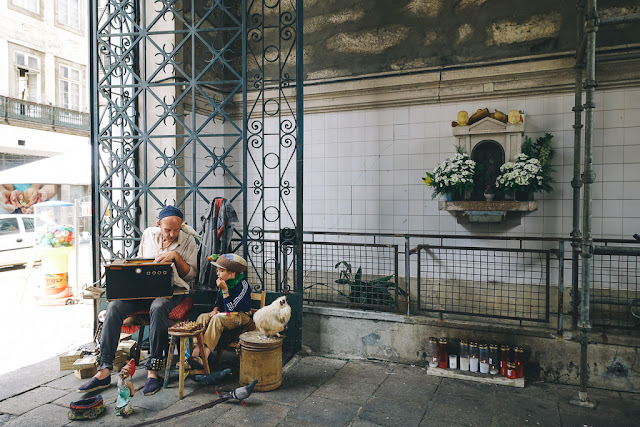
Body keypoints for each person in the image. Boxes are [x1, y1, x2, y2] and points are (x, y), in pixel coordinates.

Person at [78, 205, 198, 396]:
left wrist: (175, 257)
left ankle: (153, 371)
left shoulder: (188, 241)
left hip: (172, 294)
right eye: (168, 230)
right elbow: (142, 261)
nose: (173, 234)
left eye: (177, 229)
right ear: (159, 224)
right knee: (114, 306)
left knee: (158, 307)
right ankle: (104, 369)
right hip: (145, 291)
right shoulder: (149, 234)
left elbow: (191, 274)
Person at [188, 253, 252, 369]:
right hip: (225, 315)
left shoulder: (243, 285)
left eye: (221, 271)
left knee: (217, 319)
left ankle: (204, 358)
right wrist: (215, 310)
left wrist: (225, 290)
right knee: (203, 316)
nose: (217, 273)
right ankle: (195, 355)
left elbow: (231, 309)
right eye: (217, 270)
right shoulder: (223, 281)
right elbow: (218, 301)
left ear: (232, 273)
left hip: (240, 316)